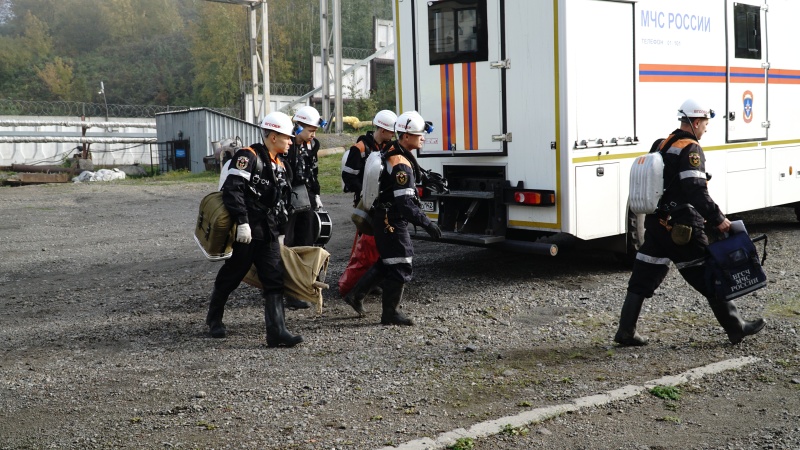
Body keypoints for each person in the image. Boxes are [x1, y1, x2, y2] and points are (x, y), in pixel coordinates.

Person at [614, 99, 765, 347]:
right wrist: (719, 220)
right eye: (705, 124)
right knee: (709, 273)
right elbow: (695, 190)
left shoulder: (661, 144)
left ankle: (625, 331)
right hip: (682, 228)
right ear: (695, 122)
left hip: (656, 224)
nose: (705, 128)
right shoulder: (691, 149)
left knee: (643, 273)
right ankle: (736, 327)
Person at [205, 111, 303, 348]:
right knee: (233, 275)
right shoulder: (248, 156)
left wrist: (280, 232)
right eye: (287, 137)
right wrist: (242, 222)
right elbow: (232, 189)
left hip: (267, 230)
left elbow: (279, 202)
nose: (290, 141)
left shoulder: (280, 164)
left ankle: (277, 331)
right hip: (246, 230)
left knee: (274, 278)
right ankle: (213, 320)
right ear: (272, 136)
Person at [342, 111, 442, 325]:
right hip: (391, 220)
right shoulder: (400, 163)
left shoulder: (395, 151)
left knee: (388, 261)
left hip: (383, 217)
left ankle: (356, 295)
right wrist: (427, 223)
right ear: (406, 136)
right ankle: (390, 313)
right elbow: (405, 203)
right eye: (419, 134)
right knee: (401, 261)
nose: (423, 137)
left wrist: (426, 176)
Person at [284, 105, 325, 248]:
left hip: (306, 195)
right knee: (287, 236)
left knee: (307, 233)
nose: (313, 135)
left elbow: (313, 172)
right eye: (311, 131)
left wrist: (316, 194)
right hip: (288, 196)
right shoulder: (286, 145)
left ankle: (303, 264)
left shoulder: (310, 146)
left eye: (315, 131)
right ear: (299, 127)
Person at [342, 109, 398, 207]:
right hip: (367, 201)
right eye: (391, 132)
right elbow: (348, 176)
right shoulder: (360, 148)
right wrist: (364, 192)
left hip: (387, 199)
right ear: (383, 130)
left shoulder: (390, 147)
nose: (393, 135)